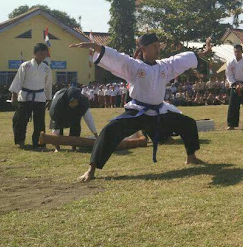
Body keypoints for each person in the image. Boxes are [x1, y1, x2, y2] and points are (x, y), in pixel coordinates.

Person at [70, 33, 211, 182]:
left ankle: (191, 157)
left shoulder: (165, 66)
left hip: (159, 112)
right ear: (144, 49)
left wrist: (204, 53)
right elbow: (116, 57)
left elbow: (184, 59)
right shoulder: (134, 66)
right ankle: (91, 169)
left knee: (187, 124)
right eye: (155, 47)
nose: (158, 50)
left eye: (159, 46)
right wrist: (95, 46)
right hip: (138, 112)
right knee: (109, 131)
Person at [9, 43, 53, 149]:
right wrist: (14, 95)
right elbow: (18, 81)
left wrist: (49, 99)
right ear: (35, 53)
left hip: (40, 97)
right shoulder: (25, 66)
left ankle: (39, 142)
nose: (42, 56)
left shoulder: (46, 69)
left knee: (39, 122)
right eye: (40, 54)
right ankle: (20, 140)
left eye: (44, 54)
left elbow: (48, 85)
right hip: (25, 96)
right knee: (20, 120)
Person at [49, 86, 98, 152]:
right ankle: (57, 147)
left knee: (76, 126)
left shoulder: (83, 103)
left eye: (76, 102)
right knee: (58, 127)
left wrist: (95, 134)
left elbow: (89, 119)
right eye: (72, 102)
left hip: (75, 116)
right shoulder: (57, 104)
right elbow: (55, 124)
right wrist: (55, 140)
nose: (74, 104)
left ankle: (74, 146)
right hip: (60, 115)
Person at [225, 44, 243, 130]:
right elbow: (229, 75)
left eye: (238, 51)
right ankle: (231, 124)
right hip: (235, 86)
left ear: (242, 52)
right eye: (235, 51)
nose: (237, 53)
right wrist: (235, 84)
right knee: (233, 106)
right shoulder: (230, 62)